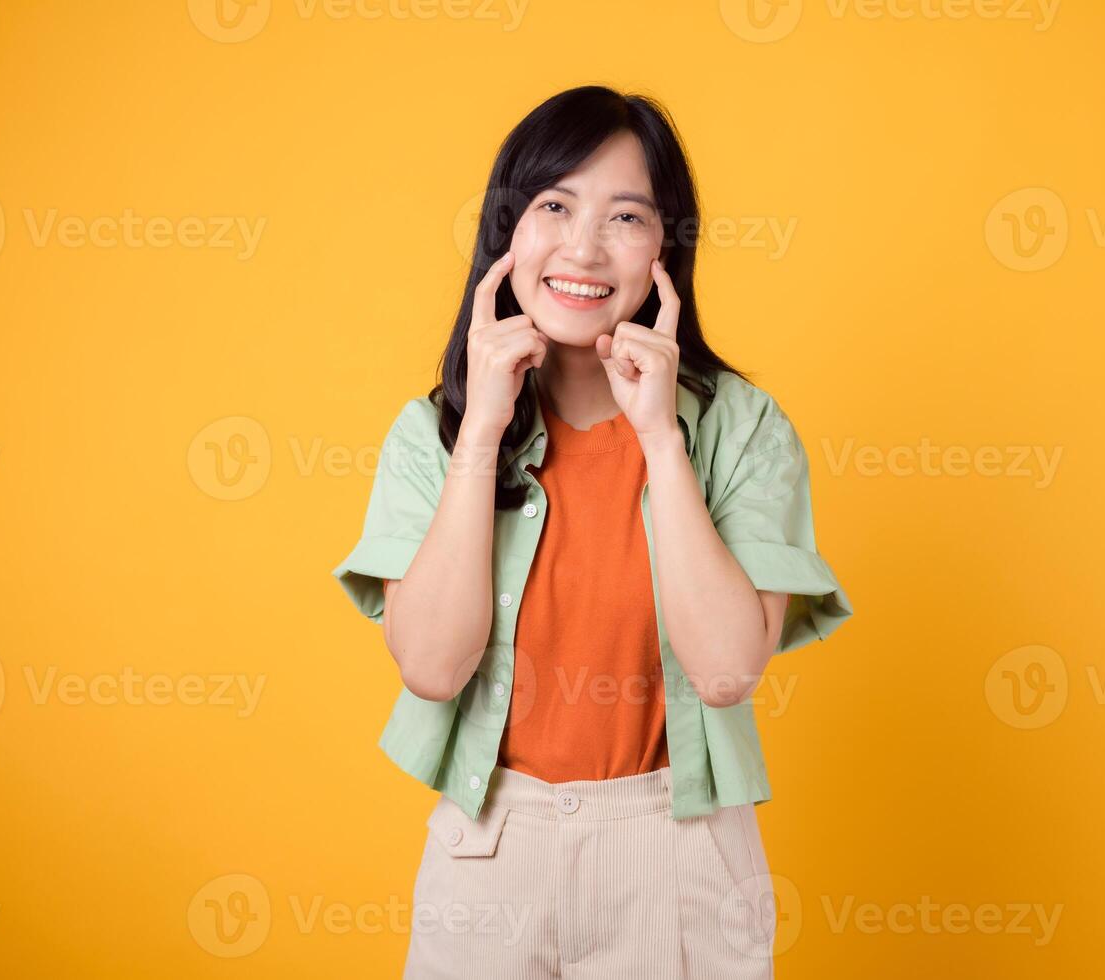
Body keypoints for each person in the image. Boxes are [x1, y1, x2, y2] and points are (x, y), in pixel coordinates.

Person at [332, 84, 853, 979]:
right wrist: (483, 433)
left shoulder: (744, 428)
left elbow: (727, 671)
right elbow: (430, 666)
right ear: (508, 232)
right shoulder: (436, 436)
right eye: (553, 206)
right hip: (491, 848)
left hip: (677, 853)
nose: (582, 247)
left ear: (665, 249)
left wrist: (658, 436)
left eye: (625, 216)